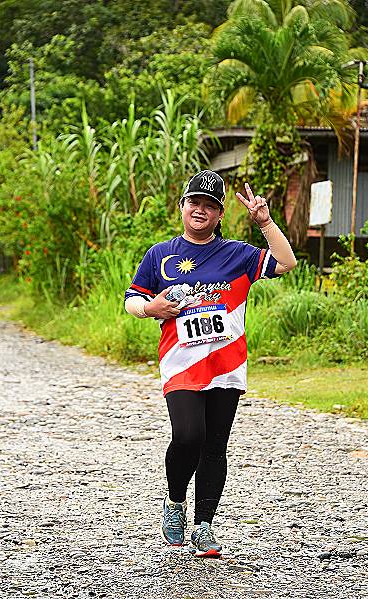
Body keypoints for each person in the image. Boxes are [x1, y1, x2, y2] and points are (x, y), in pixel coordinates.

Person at [124, 170, 297, 557]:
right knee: (188, 436)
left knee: (215, 445)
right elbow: (132, 299)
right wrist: (151, 308)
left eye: (209, 205)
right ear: (182, 207)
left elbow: (286, 263)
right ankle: (174, 501)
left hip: (226, 364)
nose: (200, 210)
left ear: (220, 214)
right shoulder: (160, 255)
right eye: (194, 202)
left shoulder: (237, 254)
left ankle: (204, 526)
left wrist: (265, 223)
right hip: (181, 364)